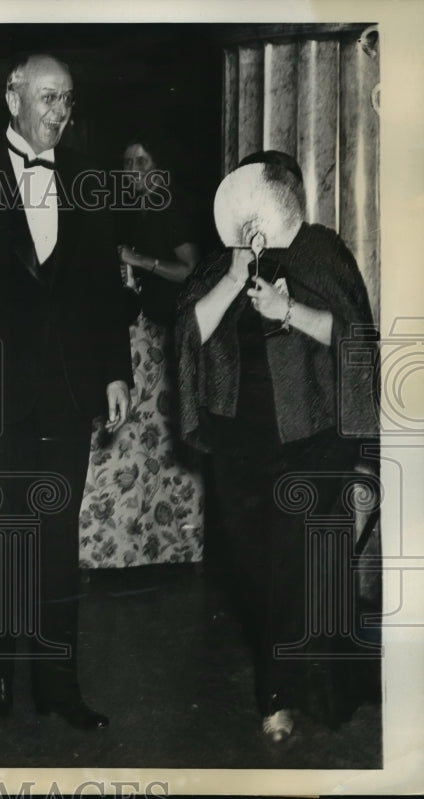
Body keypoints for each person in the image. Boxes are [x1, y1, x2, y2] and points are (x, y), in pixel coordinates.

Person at [0, 53, 132, 729]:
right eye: (47, 98)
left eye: (67, 99)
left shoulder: (87, 178)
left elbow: (102, 290)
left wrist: (115, 369)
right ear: (13, 99)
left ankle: (59, 687)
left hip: (66, 391)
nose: (60, 112)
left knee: (56, 541)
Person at [175, 150, 379, 741]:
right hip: (240, 439)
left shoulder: (320, 250)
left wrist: (287, 309)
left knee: (302, 567)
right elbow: (187, 334)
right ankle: (283, 682)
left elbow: (355, 338)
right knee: (254, 568)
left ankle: (293, 689)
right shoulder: (223, 260)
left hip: (311, 436)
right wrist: (234, 279)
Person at [80, 135, 204, 567]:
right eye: (127, 163)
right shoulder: (137, 210)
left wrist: (139, 260)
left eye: (142, 162)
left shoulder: (171, 207)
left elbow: (190, 270)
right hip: (147, 331)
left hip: (172, 336)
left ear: (161, 168)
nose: (133, 171)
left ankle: (170, 542)